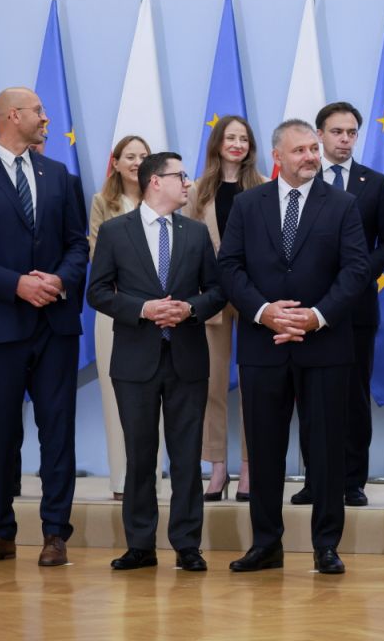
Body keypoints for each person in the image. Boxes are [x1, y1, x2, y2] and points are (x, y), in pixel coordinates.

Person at [0, 87, 88, 566]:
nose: (46, 118)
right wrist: (16, 285)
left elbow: (78, 245)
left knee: (58, 433)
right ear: (12, 115)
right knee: (0, 434)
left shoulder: (59, 175)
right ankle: (0, 532)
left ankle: (55, 534)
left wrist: (59, 280)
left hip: (55, 327)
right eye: (38, 111)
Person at [218, 119, 369, 575]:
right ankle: (266, 544)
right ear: (277, 156)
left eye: (313, 149)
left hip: (324, 346)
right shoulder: (247, 204)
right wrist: (265, 312)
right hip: (263, 345)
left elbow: (356, 270)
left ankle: (326, 546)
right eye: (300, 150)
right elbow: (229, 267)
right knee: (264, 452)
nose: (310, 156)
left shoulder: (342, 204)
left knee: (326, 451)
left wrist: (315, 316)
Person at [87, 151, 227, 572]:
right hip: (135, 362)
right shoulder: (115, 231)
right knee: (140, 456)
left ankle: (187, 545)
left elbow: (217, 291)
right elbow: (97, 292)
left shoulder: (195, 233)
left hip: (187, 360)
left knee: (186, 458)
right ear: (155, 182)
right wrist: (143, 309)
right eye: (180, 176)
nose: (187, 183)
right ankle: (140, 545)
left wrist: (190, 309)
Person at [288, 101, 384, 508]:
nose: (345, 139)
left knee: (353, 398)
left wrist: (359, 272)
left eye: (352, 132)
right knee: (310, 399)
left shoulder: (375, 182)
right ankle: (315, 480)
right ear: (319, 135)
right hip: (308, 307)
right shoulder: (302, 180)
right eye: (337, 132)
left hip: (356, 308)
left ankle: (353, 480)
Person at [184, 116, 265, 502]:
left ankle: (249, 468)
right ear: (217, 143)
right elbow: (188, 245)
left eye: (243, 139)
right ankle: (217, 468)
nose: (237, 144)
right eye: (230, 137)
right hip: (211, 297)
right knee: (212, 385)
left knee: (254, 386)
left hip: (253, 297)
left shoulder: (263, 187)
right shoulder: (197, 190)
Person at [89, 135, 150, 501]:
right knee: (116, 397)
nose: (137, 162)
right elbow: (98, 255)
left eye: (143, 156)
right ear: (115, 162)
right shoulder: (102, 202)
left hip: (159, 313)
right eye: (130, 156)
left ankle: (151, 480)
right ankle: (121, 480)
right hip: (115, 310)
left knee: (156, 399)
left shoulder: (162, 199)